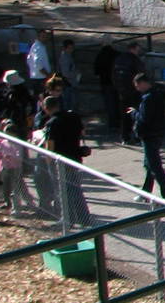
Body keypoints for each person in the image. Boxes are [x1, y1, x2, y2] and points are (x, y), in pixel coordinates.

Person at [39, 93, 91, 230]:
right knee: (75, 188)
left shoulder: (52, 123)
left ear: (46, 108)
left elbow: (50, 144)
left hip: (60, 160)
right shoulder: (73, 117)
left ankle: (68, 219)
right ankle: (83, 217)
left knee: (62, 190)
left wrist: (48, 160)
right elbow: (83, 132)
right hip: (74, 156)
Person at [131, 72, 165, 201]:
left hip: (150, 135)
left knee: (155, 167)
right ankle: (146, 193)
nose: (137, 88)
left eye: (137, 85)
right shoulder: (155, 95)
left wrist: (134, 113)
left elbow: (144, 118)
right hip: (156, 133)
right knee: (149, 165)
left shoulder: (149, 98)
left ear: (143, 83)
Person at [113, 43, 145, 144]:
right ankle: (136, 136)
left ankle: (125, 137)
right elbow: (141, 74)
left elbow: (113, 74)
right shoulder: (135, 60)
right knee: (136, 114)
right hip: (134, 92)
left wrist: (119, 88)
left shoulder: (119, 59)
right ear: (134, 49)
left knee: (125, 114)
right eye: (138, 49)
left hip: (122, 92)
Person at [93, 40, 120, 138]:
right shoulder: (117, 54)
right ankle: (119, 122)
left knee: (110, 104)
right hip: (117, 83)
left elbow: (96, 71)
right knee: (118, 103)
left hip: (105, 83)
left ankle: (113, 125)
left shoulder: (100, 55)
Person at [56, 39, 81, 112]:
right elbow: (65, 73)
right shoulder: (65, 58)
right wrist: (75, 73)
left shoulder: (68, 56)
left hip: (69, 83)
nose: (71, 50)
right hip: (68, 84)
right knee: (68, 105)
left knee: (70, 104)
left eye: (72, 48)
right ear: (64, 48)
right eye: (69, 48)